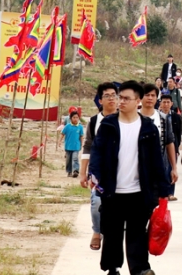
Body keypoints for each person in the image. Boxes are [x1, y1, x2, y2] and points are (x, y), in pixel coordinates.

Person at [89, 80, 169, 275]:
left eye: (126, 98)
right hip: (112, 190)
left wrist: (163, 190)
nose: (121, 101)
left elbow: (156, 160)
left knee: (137, 233)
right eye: (119, 97)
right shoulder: (108, 124)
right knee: (112, 233)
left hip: (139, 191)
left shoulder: (148, 127)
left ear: (138, 101)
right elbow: (97, 152)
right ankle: (113, 268)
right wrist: (94, 174)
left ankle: (140, 269)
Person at [79, 82, 119, 252]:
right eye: (107, 96)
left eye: (114, 95)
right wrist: (83, 173)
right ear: (100, 100)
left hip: (121, 171)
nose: (111, 99)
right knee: (96, 203)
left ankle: (115, 235)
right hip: (100, 172)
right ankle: (97, 231)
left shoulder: (125, 118)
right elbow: (87, 146)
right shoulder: (95, 121)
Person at [141, 84, 179, 201]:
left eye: (153, 95)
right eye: (147, 95)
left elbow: (169, 142)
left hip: (159, 167)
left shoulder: (163, 118)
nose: (150, 98)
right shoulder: (134, 117)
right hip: (138, 168)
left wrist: (174, 168)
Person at [62, 110, 84, 178]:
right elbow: (62, 134)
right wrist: (59, 141)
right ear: (71, 118)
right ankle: (69, 171)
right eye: (74, 117)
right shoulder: (67, 126)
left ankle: (76, 171)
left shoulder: (80, 127)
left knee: (75, 158)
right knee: (68, 160)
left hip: (76, 146)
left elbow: (81, 136)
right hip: (68, 146)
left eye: (77, 117)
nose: (75, 119)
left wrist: (82, 144)